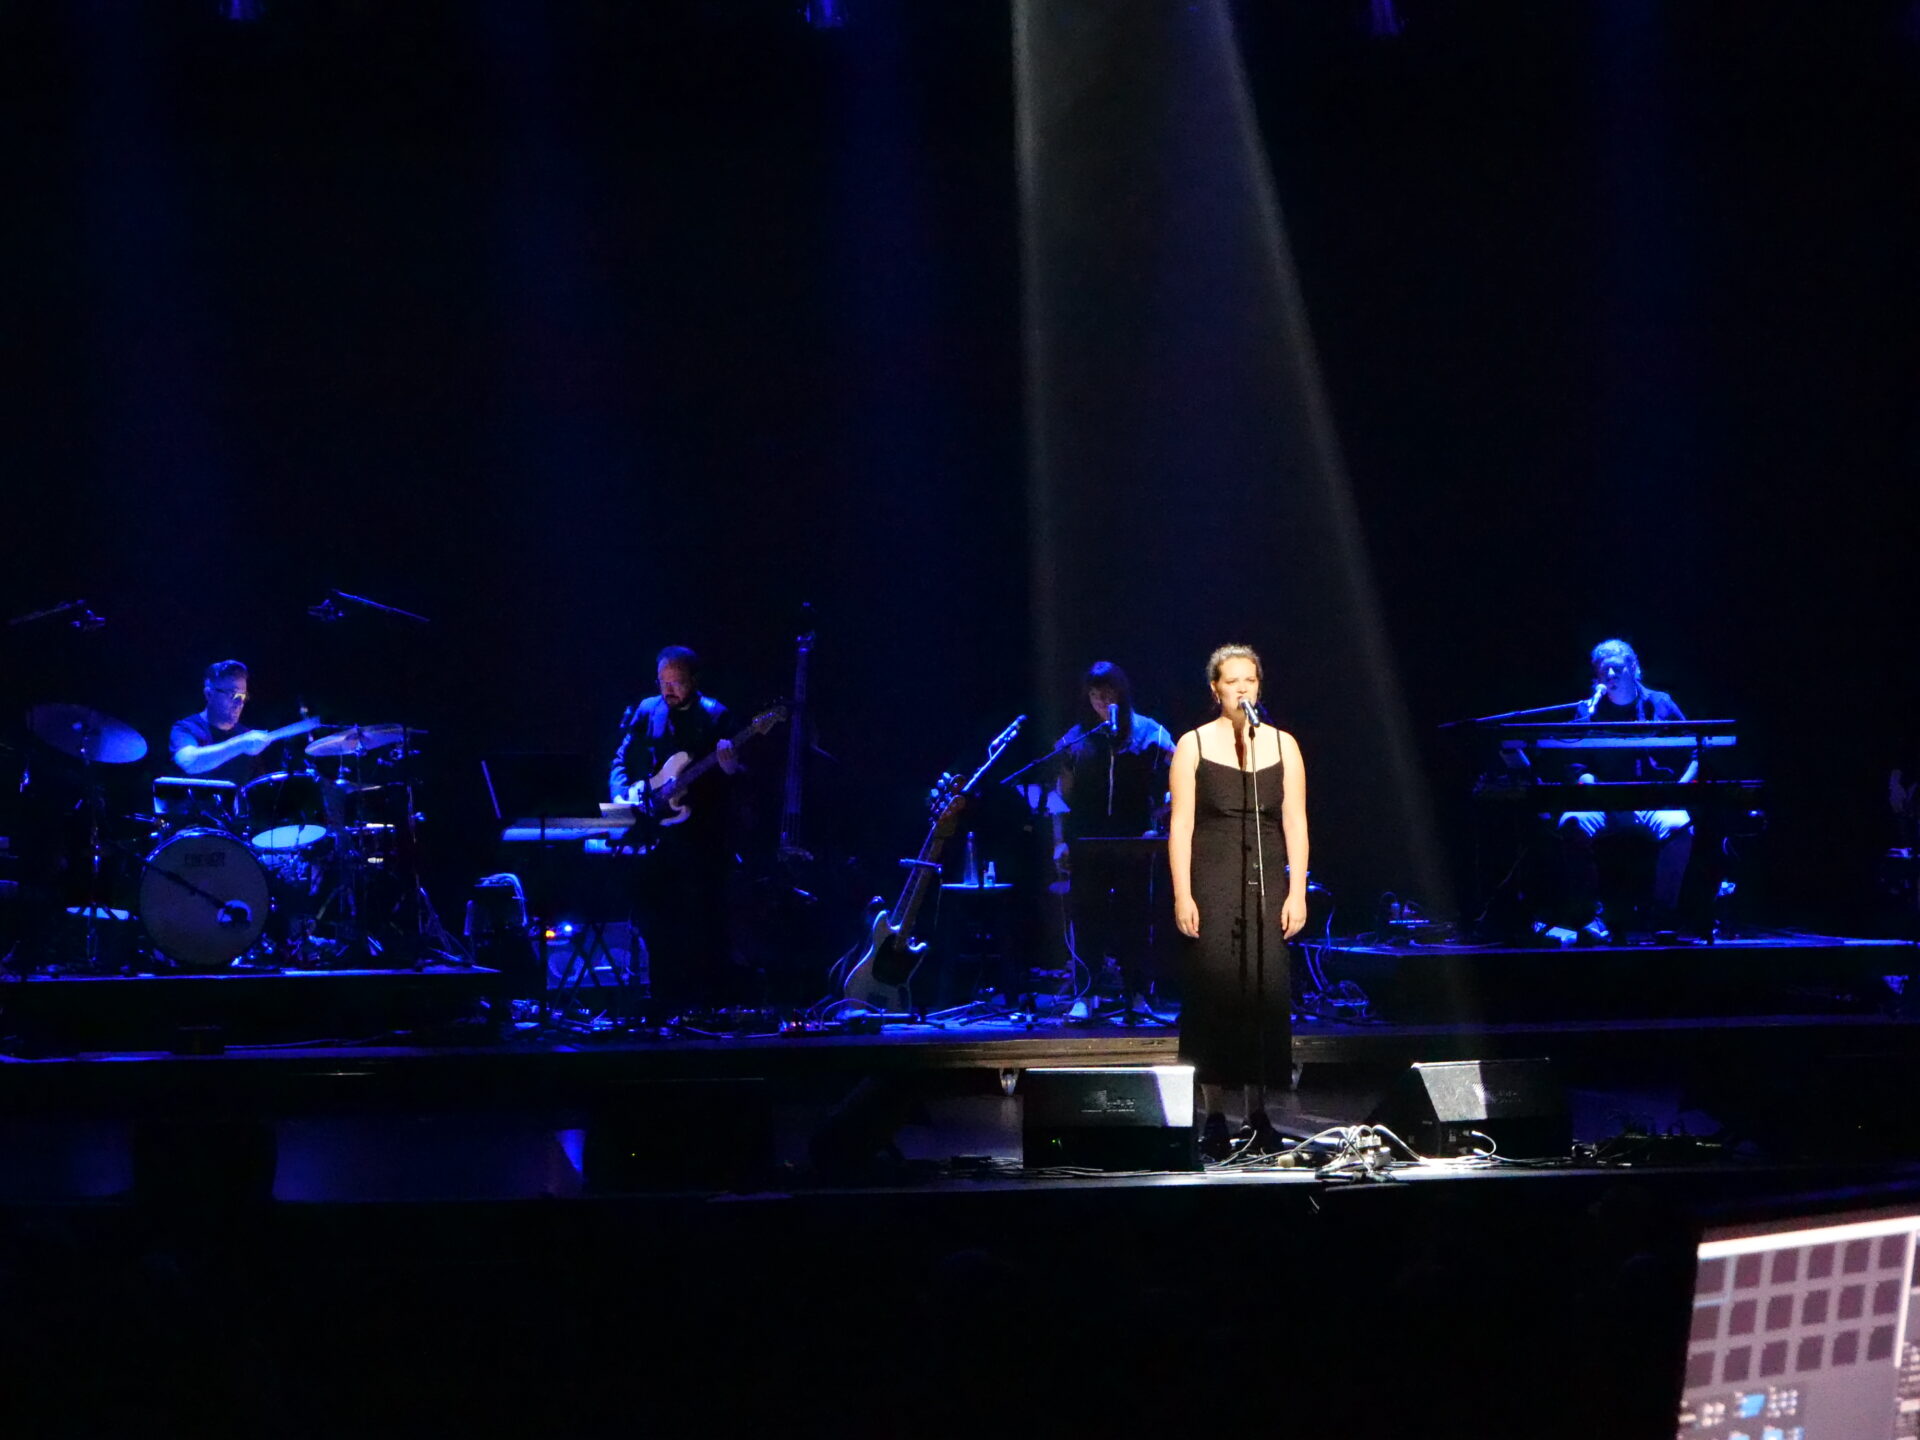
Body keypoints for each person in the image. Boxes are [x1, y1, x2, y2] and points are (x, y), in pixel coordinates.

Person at [1168, 644, 1308, 1158]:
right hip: (1213, 876)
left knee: (1263, 994)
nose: (1243, 688)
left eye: (1250, 680)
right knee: (1215, 997)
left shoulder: (1283, 744)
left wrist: (1296, 890)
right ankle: (1214, 1114)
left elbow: (1295, 821)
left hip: (1266, 878)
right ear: (1215, 689)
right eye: (1232, 681)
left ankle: (1259, 1112)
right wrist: (1183, 893)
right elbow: (1180, 826)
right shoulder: (1193, 745)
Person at [609, 646, 742, 1020]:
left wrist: (730, 769)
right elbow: (622, 757)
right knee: (655, 918)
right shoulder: (647, 709)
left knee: (702, 922)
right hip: (656, 834)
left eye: (677, 682)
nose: (669, 690)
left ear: (694, 681)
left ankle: (707, 1008)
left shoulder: (716, 715)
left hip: (702, 837)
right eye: (663, 682)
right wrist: (622, 793)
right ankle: (662, 1003)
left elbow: (738, 778)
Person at [1050, 662, 1175, 1010]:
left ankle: (1136, 993)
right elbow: (1058, 797)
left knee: (1135, 917)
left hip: (1134, 843)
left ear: (1122, 692)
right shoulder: (1075, 739)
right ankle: (1086, 994)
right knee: (1087, 917)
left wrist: (1165, 810)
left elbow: (1183, 770)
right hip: (1087, 844)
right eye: (1095, 694)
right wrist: (1059, 842)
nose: (1102, 701)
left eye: (1108, 693)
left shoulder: (1150, 732)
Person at [1555, 638, 1694, 941]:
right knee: (1570, 824)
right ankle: (1591, 915)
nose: (1611, 677)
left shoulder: (1661, 703)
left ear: (1633, 668)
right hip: (1602, 802)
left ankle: (1662, 914)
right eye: (1604, 672)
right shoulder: (1586, 711)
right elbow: (1573, 763)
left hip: (1654, 800)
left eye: (1617, 670)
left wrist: (1681, 790)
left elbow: (1695, 750)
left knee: (1681, 827)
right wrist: (1587, 782)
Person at [170, 660, 273, 783]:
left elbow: (259, 790)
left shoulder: (247, 736)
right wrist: (240, 744)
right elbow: (189, 762)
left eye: (242, 696)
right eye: (233, 694)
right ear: (209, 694)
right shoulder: (185, 728)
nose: (239, 703)